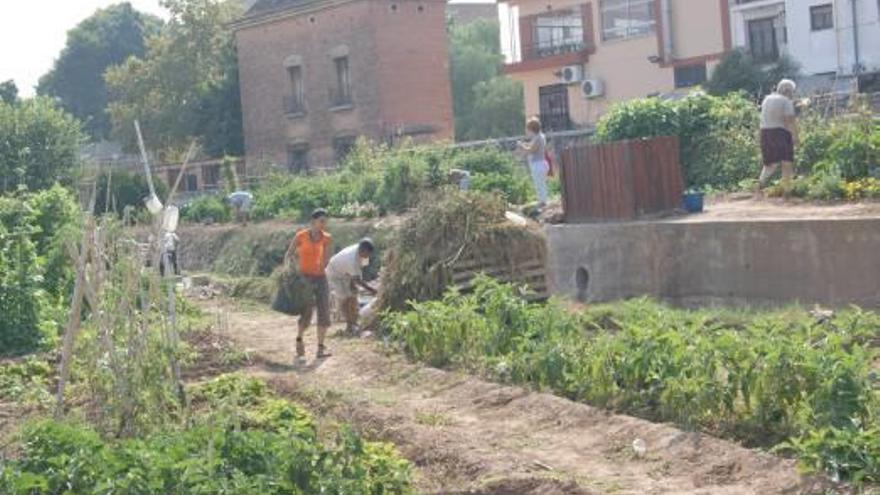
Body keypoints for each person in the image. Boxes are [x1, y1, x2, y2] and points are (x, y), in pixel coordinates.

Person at [286, 209, 333, 360]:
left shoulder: (326, 238)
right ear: (313, 222)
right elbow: (289, 254)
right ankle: (299, 340)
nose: (324, 224)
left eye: (325, 221)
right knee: (306, 312)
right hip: (304, 278)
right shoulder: (301, 236)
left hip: (320, 278)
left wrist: (321, 270)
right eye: (321, 221)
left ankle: (320, 348)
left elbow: (326, 259)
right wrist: (291, 271)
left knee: (324, 311)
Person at [327, 238, 377, 335]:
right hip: (335, 273)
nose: (368, 256)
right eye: (367, 254)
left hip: (346, 273)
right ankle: (349, 326)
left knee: (353, 295)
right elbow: (357, 280)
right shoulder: (351, 259)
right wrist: (372, 290)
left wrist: (353, 284)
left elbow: (360, 270)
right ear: (362, 250)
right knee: (345, 298)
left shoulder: (364, 254)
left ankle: (354, 323)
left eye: (369, 255)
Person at [758, 79, 799, 192]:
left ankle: (760, 184)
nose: (792, 94)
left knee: (770, 163)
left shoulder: (767, 99)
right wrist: (795, 137)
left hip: (765, 131)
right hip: (780, 133)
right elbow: (789, 121)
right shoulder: (786, 101)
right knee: (786, 161)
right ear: (788, 90)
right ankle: (787, 190)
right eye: (792, 91)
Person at [519, 117, 548, 207]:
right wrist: (525, 145)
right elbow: (532, 146)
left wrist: (521, 146)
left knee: (539, 184)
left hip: (538, 164)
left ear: (532, 129)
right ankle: (542, 200)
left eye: (528, 128)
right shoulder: (539, 137)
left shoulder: (538, 138)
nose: (527, 131)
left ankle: (542, 202)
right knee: (540, 183)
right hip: (540, 163)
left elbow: (531, 150)